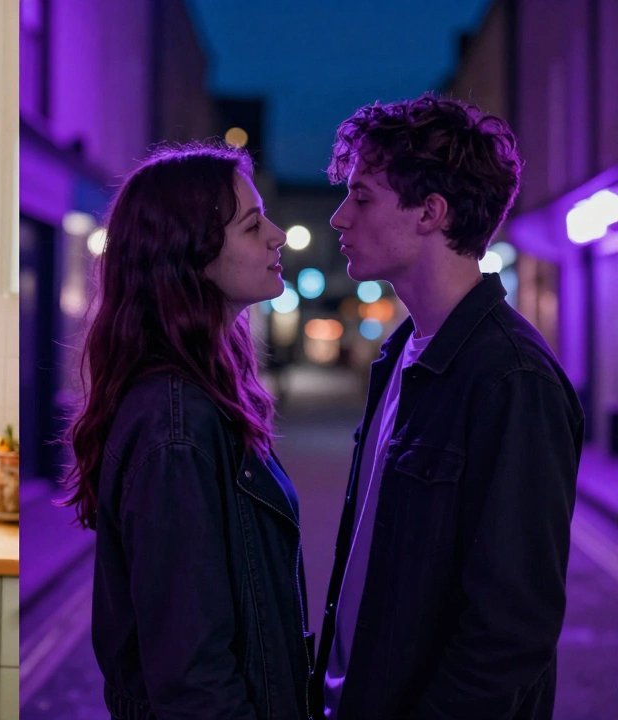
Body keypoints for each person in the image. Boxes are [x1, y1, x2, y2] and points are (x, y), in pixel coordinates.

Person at [314, 94, 584, 719]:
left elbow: (510, 630)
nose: (339, 218)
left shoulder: (513, 381)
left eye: (362, 196)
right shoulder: (400, 354)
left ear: (430, 212)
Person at [64, 142, 313, 720]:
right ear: (192, 254)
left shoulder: (202, 400)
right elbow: (193, 678)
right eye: (253, 225)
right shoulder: (175, 427)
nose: (277, 235)